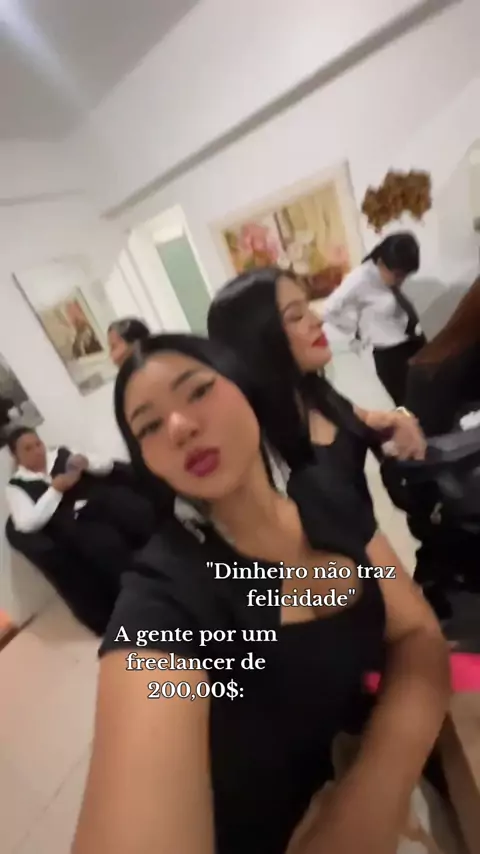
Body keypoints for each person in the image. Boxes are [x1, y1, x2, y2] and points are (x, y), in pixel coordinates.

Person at [73, 333, 449, 854]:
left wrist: (371, 793)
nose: (179, 427)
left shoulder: (321, 495)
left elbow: (417, 633)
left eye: (198, 390)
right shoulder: (165, 599)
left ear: (246, 389)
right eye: (150, 427)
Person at [207, 267, 425, 543]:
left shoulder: (314, 390)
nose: (318, 320)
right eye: (296, 316)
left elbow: (362, 419)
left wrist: (397, 419)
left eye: (308, 308)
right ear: (257, 340)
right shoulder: (260, 448)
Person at [5, 427, 155, 635]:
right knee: (105, 544)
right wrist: (55, 490)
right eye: (28, 449)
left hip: (98, 504)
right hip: (72, 524)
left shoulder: (62, 454)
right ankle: (141, 604)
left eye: (38, 444)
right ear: (16, 456)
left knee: (131, 509)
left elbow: (106, 465)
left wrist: (88, 463)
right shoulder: (16, 486)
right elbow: (26, 523)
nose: (37, 451)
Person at [321, 232, 425, 405]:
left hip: (412, 342)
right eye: (398, 275)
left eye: (405, 275)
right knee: (408, 406)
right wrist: (353, 328)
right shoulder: (360, 278)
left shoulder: (388, 277)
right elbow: (328, 309)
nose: (401, 280)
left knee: (427, 397)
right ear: (381, 263)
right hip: (390, 356)